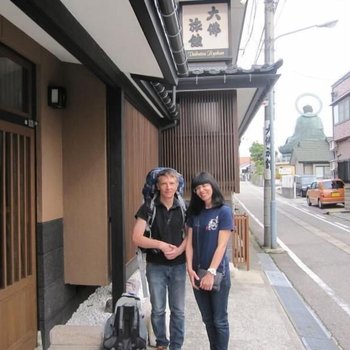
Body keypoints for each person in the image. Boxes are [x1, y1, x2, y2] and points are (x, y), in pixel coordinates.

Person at [132, 168, 187, 350]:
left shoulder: (184, 207)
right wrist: (161, 245)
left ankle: (176, 346)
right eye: (164, 183)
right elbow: (137, 237)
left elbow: (190, 236)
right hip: (156, 266)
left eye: (172, 183)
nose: (168, 187)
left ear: (177, 185)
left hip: (178, 265)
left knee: (178, 310)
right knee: (158, 309)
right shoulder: (148, 208)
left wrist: (179, 250)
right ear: (157, 185)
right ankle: (162, 343)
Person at [185, 172, 233, 350]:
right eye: (197, 188)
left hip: (217, 274)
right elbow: (189, 243)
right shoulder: (195, 212)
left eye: (204, 185)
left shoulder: (224, 211)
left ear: (212, 185)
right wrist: (189, 269)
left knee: (219, 320)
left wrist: (211, 273)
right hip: (197, 273)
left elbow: (221, 246)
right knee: (207, 320)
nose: (201, 190)